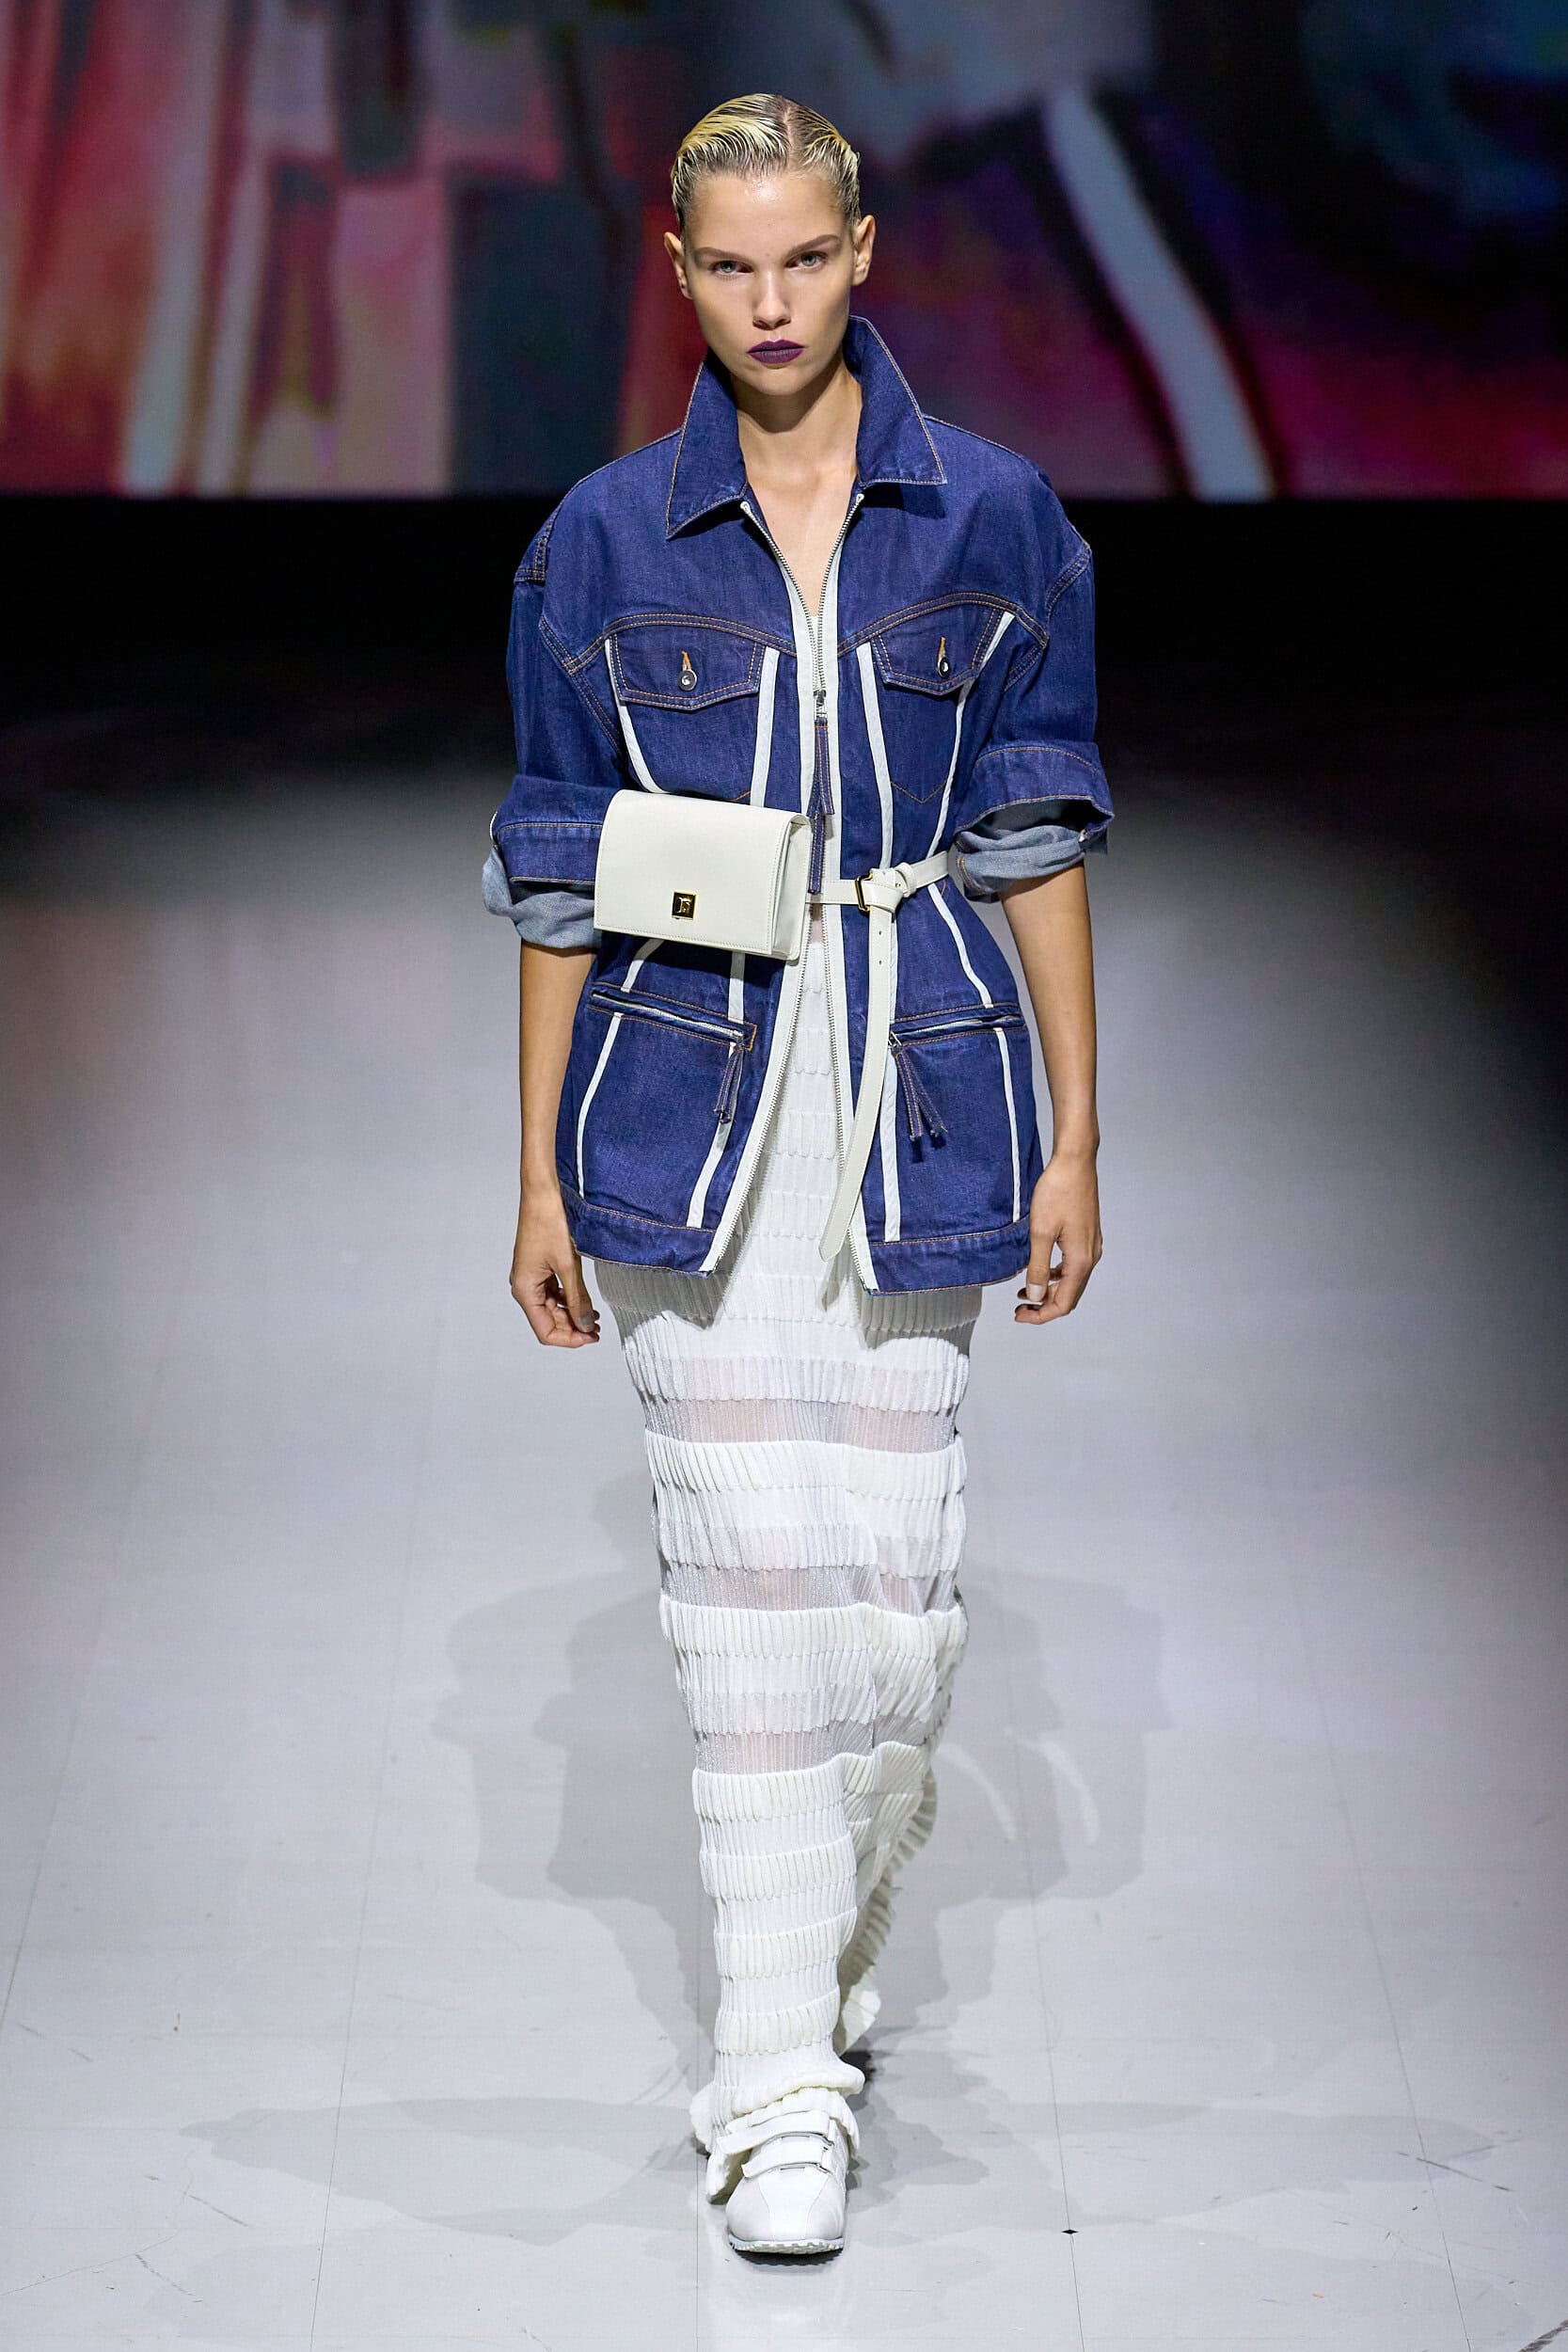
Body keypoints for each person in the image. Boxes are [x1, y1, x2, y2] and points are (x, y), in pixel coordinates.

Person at [483, 92, 1110, 2259]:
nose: (771, 304)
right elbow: (558, 871)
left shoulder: (998, 518)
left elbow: (1035, 833)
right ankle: (774, 2091)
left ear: (863, 254)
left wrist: (1078, 1132)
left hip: (917, 1074)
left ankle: (813, 1967)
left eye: (805, 260)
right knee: (748, 1603)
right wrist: (539, 1171)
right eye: (730, 266)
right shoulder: (598, 542)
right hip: (690, 1078)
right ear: (676, 267)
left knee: (887, 1612)